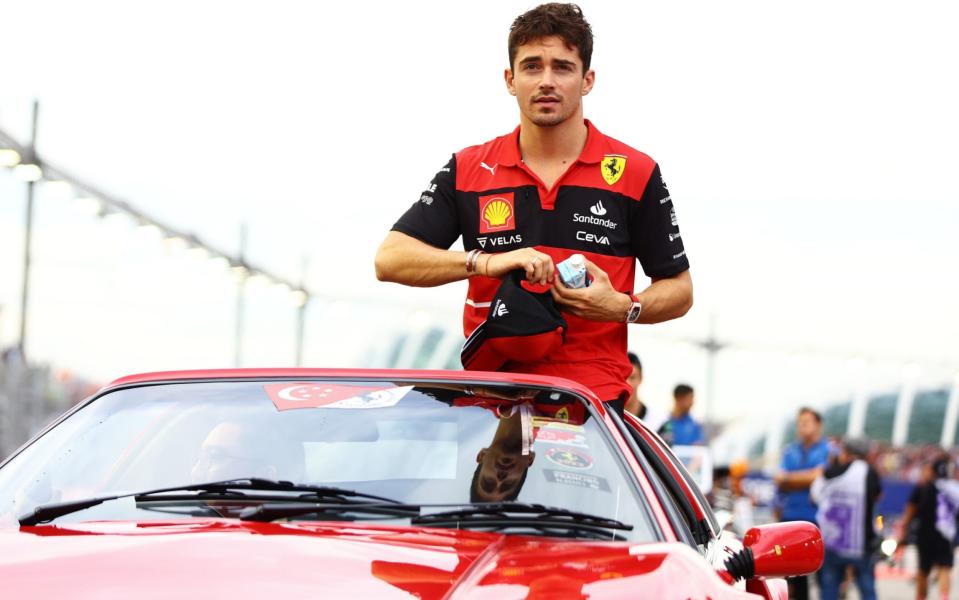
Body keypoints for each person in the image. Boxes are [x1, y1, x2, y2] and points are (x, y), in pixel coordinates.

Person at [374, 3, 693, 416]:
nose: (546, 81)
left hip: (591, 403)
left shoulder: (635, 171)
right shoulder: (470, 167)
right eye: (531, 66)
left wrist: (624, 307)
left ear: (587, 80)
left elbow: (680, 290)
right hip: (492, 399)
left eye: (562, 67)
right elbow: (390, 259)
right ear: (510, 79)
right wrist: (487, 262)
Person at [811, 437, 882, 600]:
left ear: (846, 452)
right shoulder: (869, 472)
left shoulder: (830, 471)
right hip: (861, 543)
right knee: (867, 587)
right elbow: (877, 495)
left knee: (829, 587)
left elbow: (815, 496)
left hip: (832, 541)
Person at [772, 406, 830, 600]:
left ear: (818, 425)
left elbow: (819, 477)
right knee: (795, 579)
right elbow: (779, 478)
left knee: (826, 578)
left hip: (820, 522)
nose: (802, 427)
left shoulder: (829, 450)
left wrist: (790, 479)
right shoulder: (790, 450)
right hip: (792, 521)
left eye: (806, 422)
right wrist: (805, 479)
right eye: (799, 423)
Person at [897, 455, 959, 600]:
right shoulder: (954, 490)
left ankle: (921, 597)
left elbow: (909, 511)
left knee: (923, 570)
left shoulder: (923, 488)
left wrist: (903, 530)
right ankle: (944, 597)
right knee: (945, 567)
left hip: (925, 533)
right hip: (946, 534)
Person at [470, 407, 537, 502]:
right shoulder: (563, 417)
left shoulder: (462, 397)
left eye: (488, 482)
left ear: (481, 456)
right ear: (530, 459)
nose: (500, 480)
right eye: (508, 484)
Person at [624, 352, 666, 431]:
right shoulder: (602, 420)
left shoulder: (658, 422)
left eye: (632, 378)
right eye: (622, 378)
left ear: (641, 378)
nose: (627, 384)